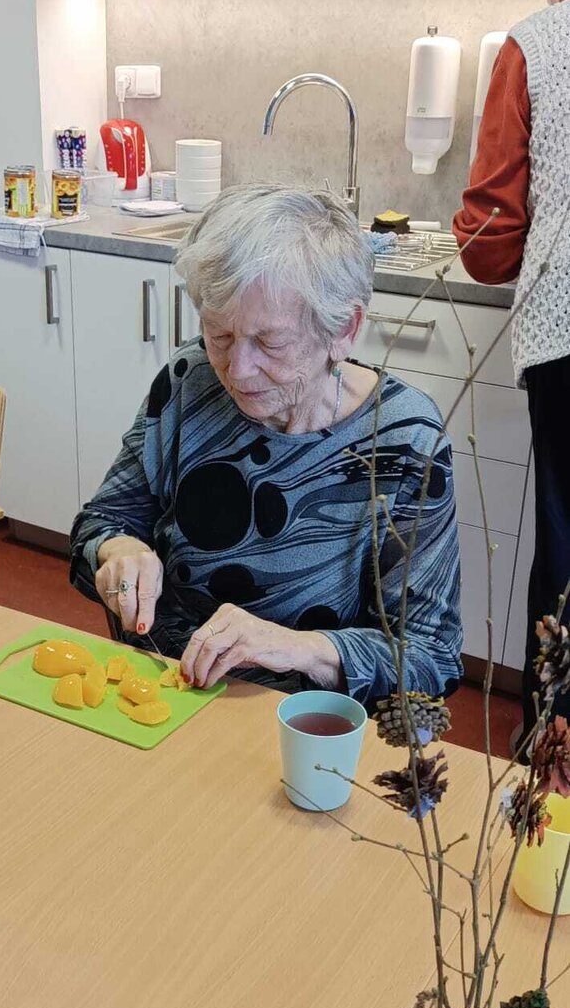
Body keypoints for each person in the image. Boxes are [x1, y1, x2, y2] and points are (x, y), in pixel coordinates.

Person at [70, 185, 462, 701]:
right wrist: (119, 550)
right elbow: (101, 523)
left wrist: (297, 647)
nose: (237, 370)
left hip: (296, 717)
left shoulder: (404, 439)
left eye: (270, 342)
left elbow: (431, 656)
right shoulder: (190, 379)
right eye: (219, 335)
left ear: (344, 330)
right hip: (158, 688)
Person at [453, 0, 570, 742]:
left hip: (565, 331)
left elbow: (491, 235)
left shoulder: (534, 43)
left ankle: (550, 757)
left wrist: (491, 252)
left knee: (563, 546)